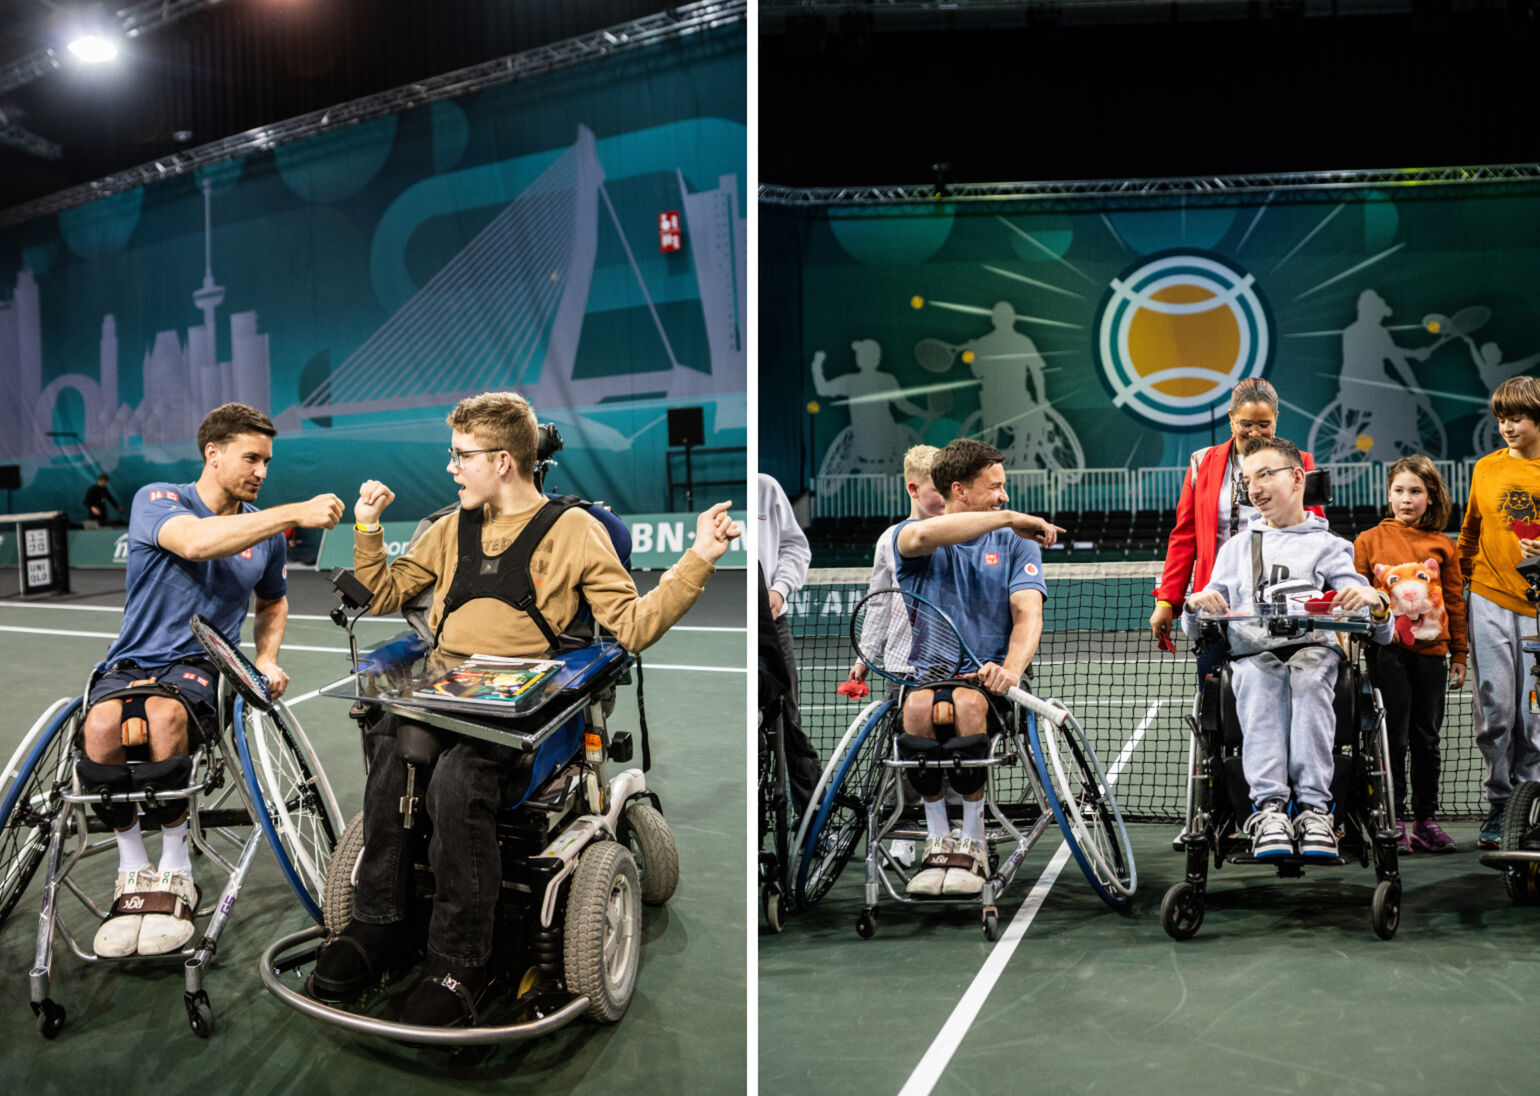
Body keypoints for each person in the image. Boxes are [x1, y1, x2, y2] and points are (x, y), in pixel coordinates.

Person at [311, 391, 740, 1027]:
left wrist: (698, 559)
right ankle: (379, 925)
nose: (451, 468)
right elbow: (381, 593)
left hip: (531, 719)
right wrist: (369, 527)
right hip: (446, 695)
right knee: (395, 755)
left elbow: (631, 625)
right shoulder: (448, 529)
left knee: (457, 783)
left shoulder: (576, 532)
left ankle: (461, 961)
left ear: (504, 460)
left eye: (461, 456)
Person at [83, 404, 345, 957]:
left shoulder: (264, 537)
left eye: (268, 461)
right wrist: (293, 511)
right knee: (102, 724)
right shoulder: (158, 499)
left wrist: (267, 658)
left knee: (164, 716)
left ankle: (176, 868)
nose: (262, 471)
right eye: (252, 458)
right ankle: (133, 871)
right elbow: (197, 542)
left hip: (201, 666)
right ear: (213, 453)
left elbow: (273, 600)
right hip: (133, 659)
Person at [1181, 436, 1391, 860]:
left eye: (1264, 474)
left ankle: (1316, 812)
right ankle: (1270, 811)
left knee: (1311, 677)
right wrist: (1193, 605)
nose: (1253, 487)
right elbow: (1195, 624)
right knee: (1261, 681)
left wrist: (1376, 603)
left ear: (1297, 478)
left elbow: (1380, 630)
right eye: (1246, 480)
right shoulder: (1236, 548)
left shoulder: (1330, 546)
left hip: (1314, 655)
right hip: (1252, 656)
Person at [893, 438, 1062, 896]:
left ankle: (973, 837)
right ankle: (936, 838)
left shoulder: (1017, 545)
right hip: (927, 676)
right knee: (915, 711)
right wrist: (1009, 517)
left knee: (967, 705)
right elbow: (925, 536)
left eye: (1004, 490)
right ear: (959, 490)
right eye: (995, 488)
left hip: (988, 683)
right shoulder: (909, 537)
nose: (1004, 497)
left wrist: (1010, 669)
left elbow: (1028, 614)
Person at [1150, 377, 1325, 686]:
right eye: (1246, 423)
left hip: (1281, 601)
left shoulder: (1301, 463)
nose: (1255, 432)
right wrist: (1167, 601)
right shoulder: (1202, 462)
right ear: (1231, 419)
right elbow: (1184, 537)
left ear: (1276, 420)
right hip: (1217, 601)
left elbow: (1316, 535)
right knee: (1215, 698)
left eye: (1264, 424)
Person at [1353, 455, 1467, 853]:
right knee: (1393, 740)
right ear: (1388, 495)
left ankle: (1426, 821)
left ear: (1431, 496)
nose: (1406, 499)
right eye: (1399, 491)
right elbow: (1355, 599)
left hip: (1433, 656)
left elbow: (1454, 600)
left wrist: (1460, 654)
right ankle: (1394, 819)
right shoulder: (1367, 541)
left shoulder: (1443, 544)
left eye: (1415, 491)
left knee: (1427, 740)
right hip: (1387, 655)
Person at [1457, 375, 1540, 848]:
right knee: (1496, 708)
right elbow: (1470, 530)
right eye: (1502, 419)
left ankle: (1529, 803)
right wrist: (1462, 583)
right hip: (1487, 596)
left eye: (1517, 418)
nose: (1507, 427)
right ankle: (1500, 803)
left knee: (1535, 715)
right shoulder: (1487, 468)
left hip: (1537, 605)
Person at [847, 443, 944, 695]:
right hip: (902, 668)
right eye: (937, 489)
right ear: (914, 489)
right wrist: (864, 656)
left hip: (951, 666)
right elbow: (879, 604)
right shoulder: (889, 539)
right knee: (902, 733)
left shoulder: (961, 536)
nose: (945, 496)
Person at [757, 472, 821, 815]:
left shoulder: (765, 487)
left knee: (787, 718)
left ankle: (811, 820)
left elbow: (795, 546)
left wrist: (780, 588)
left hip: (771, 623)